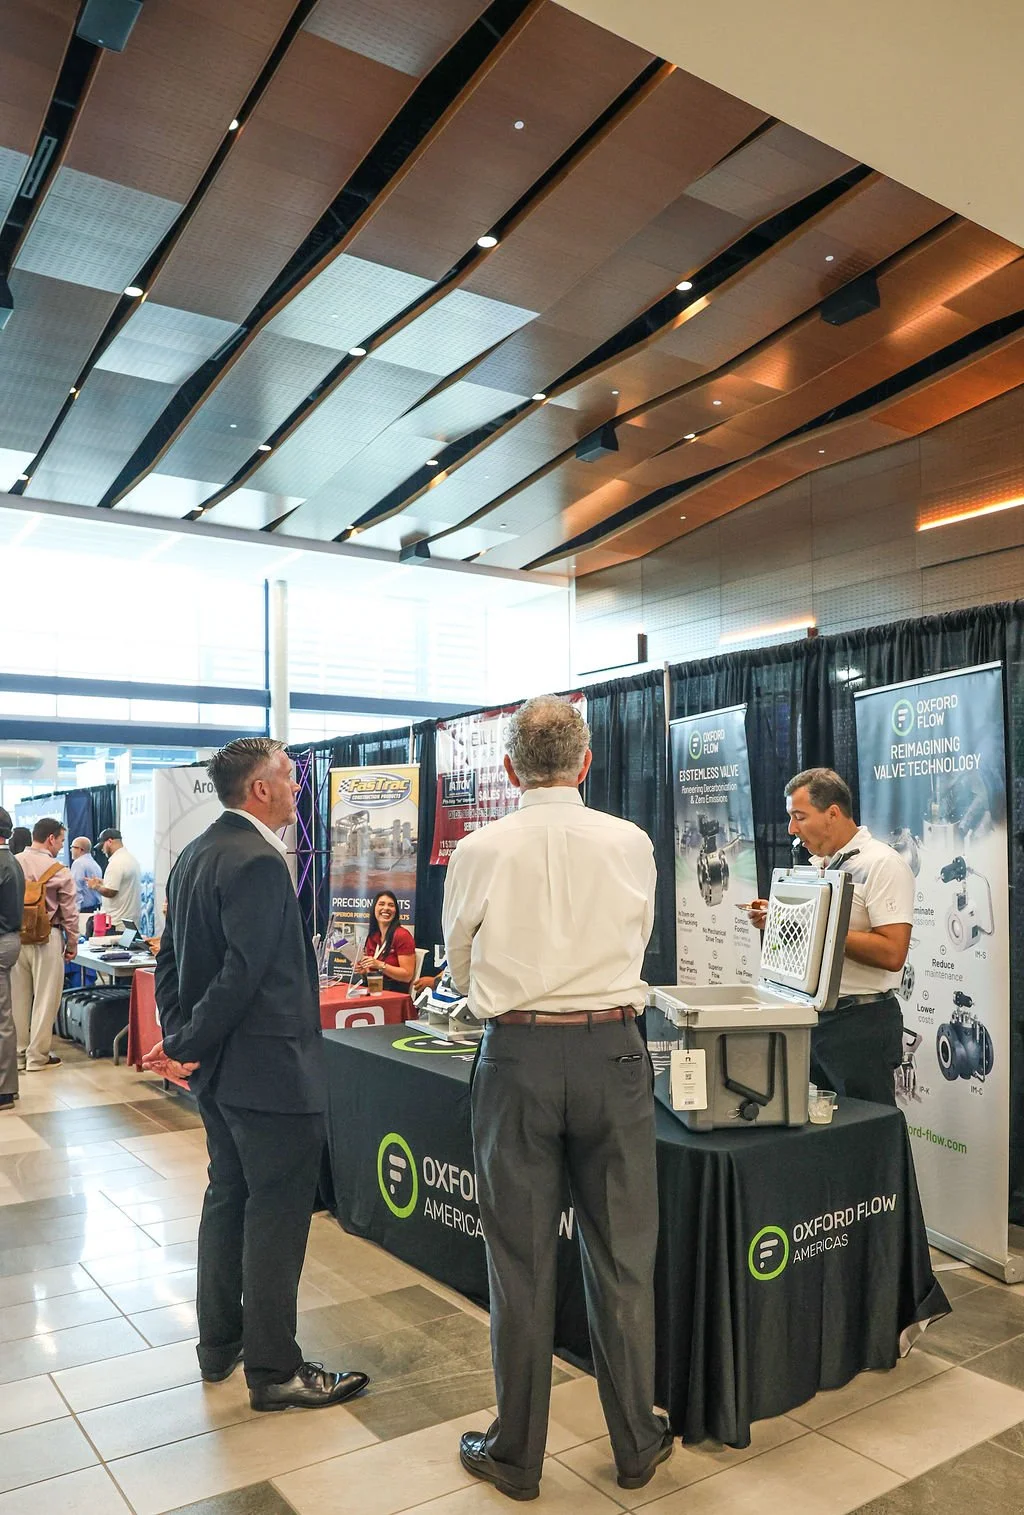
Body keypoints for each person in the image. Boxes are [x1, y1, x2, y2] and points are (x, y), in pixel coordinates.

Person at [443, 695, 672, 1502]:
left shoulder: (479, 846)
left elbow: (460, 964)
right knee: (622, 1260)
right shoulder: (631, 841)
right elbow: (639, 937)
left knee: (521, 1263)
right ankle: (638, 1441)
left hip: (518, 1056)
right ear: (585, 762)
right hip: (614, 1051)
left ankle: (516, 1455)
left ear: (508, 769)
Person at [143, 737, 369, 1412]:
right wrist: (190, 1038)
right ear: (260, 789)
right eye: (288, 779)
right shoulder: (258, 862)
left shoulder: (194, 854)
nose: (297, 789)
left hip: (221, 1077)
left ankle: (219, 1345)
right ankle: (274, 1367)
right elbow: (243, 974)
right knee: (275, 1216)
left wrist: (184, 1039)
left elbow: (170, 961)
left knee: (228, 1199)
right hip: (270, 1075)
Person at [743, 767, 913, 1105]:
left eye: (799, 817)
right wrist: (782, 919)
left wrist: (817, 925)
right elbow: (820, 942)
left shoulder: (882, 864)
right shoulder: (822, 865)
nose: (792, 829)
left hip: (860, 1026)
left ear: (832, 813)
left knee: (868, 1133)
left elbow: (893, 953)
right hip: (817, 1021)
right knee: (827, 1140)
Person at [12, 817, 78, 1072]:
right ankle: (37, 1057)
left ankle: (18, 1054)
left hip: (16, 936)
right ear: (51, 838)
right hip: (48, 936)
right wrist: (72, 942)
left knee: (17, 998)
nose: (61, 845)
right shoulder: (59, 870)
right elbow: (69, 913)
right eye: (61, 840)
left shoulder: (13, 863)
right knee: (46, 998)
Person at [0, 808, 24, 1110]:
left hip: (2, 939)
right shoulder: (11, 861)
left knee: (1, 1017)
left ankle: (4, 1088)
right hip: (10, 938)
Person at [355, 889, 415, 991]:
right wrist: (364, 969)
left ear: (396, 911)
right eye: (381, 904)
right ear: (374, 908)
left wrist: (380, 965)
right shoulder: (373, 936)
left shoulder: (402, 935)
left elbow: (407, 975)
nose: (386, 908)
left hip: (393, 992)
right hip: (374, 988)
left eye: (391, 905)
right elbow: (371, 971)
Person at [86, 828, 141, 928]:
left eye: (102, 846)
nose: (102, 850)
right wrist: (102, 882)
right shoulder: (131, 859)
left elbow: (111, 892)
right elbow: (123, 884)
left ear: (109, 841)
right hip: (130, 922)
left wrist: (95, 886)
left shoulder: (116, 863)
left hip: (116, 923)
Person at [70, 837, 103, 914]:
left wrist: (75, 911)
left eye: (72, 847)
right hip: (96, 908)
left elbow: (76, 888)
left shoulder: (78, 863)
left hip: (83, 910)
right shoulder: (95, 864)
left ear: (80, 849)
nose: (71, 850)